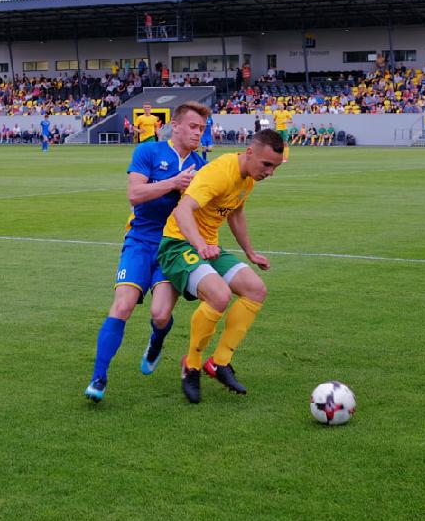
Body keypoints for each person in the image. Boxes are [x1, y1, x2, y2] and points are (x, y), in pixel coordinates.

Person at [84, 101, 211, 402]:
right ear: (175, 126)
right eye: (193, 126)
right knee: (122, 306)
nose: (198, 133)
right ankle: (98, 378)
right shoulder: (148, 151)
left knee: (160, 314)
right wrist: (173, 183)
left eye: (202, 129)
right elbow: (135, 194)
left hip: (172, 246)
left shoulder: (202, 167)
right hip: (140, 240)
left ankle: (156, 341)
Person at [157, 129, 285, 404]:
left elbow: (235, 213)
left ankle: (219, 362)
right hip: (177, 245)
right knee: (219, 295)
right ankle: (191, 365)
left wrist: (250, 252)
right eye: (266, 165)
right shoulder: (219, 173)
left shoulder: (247, 179)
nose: (270, 172)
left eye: (275, 167)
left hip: (207, 247)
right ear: (249, 152)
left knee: (255, 289)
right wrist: (201, 245)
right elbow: (182, 210)